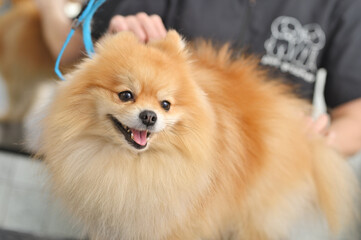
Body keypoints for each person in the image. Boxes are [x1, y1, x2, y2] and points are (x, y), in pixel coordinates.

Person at [35, 0, 361, 157]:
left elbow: (354, 113)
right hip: (149, 187)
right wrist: (113, 44)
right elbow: (72, 56)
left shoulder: (341, 6)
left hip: (267, 183)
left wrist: (322, 143)